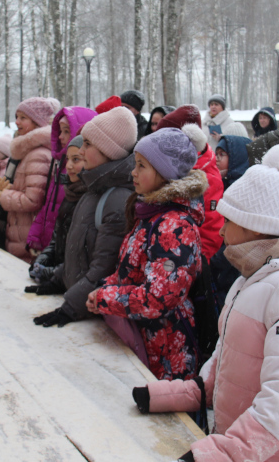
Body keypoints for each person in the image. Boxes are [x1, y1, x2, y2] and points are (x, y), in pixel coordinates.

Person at [133, 145, 279, 462]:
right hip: (251, 459)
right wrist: (172, 394)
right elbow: (225, 364)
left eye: (227, 220)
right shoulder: (255, 276)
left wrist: (220, 457)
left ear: (254, 225)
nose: (220, 230)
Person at [86, 126, 208, 381]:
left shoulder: (175, 225)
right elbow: (130, 271)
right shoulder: (151, 213)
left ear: (165, 172)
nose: (133, 172)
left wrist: (105, 297)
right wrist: (103, 288)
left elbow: (157, 300)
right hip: (142, 338)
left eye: (141, 165)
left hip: (165, 351)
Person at [30, 106, 137, 328]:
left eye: (88, 144)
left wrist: (70, 307)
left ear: (108, 151)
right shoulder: (93, 189)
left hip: (94, 319)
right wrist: (58, 279)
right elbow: (78, 253)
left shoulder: (117, 199)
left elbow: (103, 269)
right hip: (81, 305)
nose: (82, 150)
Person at [26, 106, 97, 255]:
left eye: (66, 131)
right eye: (60, 131)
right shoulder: (62, 166)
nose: (60, 136)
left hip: (63, 251)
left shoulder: (80, 172)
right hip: (51, 246)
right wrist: (35, 237)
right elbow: (48, 206)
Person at [157, 104, 225, 260]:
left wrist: (193, 265)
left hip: (185, 262)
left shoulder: (209, 179)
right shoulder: (168, 167)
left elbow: (211, 231)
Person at [0, 97, 60, 262]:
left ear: (37, 122)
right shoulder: (28, 151)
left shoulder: (37, 155)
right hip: (22, 232)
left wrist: (4, 195)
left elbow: (33, 200)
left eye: (23, 118)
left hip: (27, 235)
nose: (17, 122)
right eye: (16, 117)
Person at [28, 136, 88, 284]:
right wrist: (44, 258)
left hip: (74, 283)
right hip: (63, 278)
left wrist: (55, 273)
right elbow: (58, 237)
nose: (68, 166)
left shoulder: (89, 199)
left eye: (76, 159)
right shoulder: (70, 192)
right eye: (67, 159)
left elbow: (84, 256)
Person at [210, 135, 252, 312]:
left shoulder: (243, 190)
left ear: (236, 157)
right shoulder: (222, 183)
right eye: (216, 153)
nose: (217, 159)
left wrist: (217, 258)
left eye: (223, 154)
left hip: (230, 264)